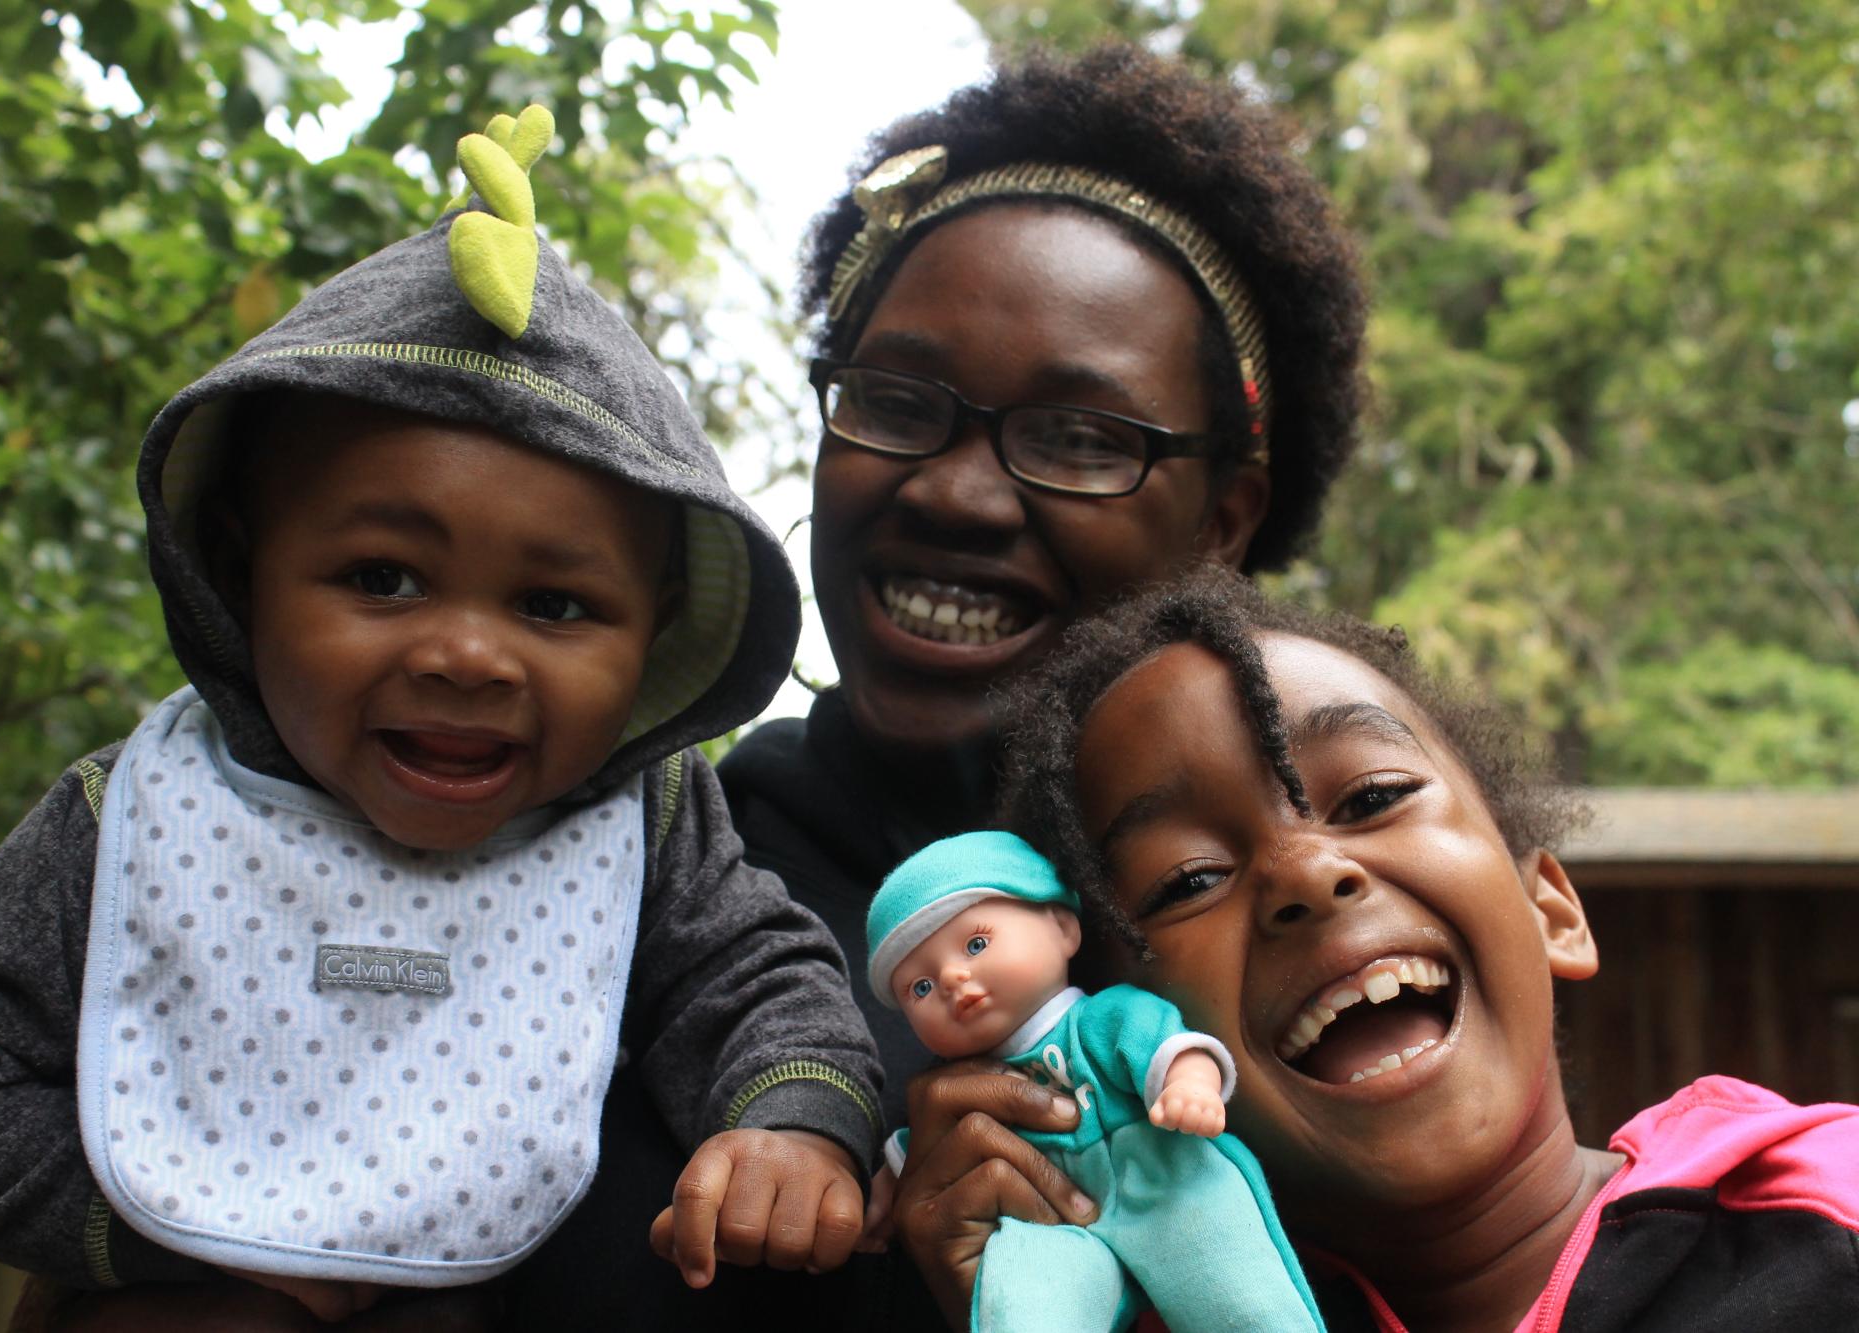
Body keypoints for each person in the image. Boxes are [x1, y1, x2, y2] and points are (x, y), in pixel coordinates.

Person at [0, 107, 881, 1326]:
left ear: (656, 632)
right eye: (380, 578)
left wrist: (789, 1123)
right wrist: (182, 1233)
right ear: (240, 571)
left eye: (554, 602)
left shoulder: (643, 823)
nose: (465, 653)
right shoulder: (136, 818)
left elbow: (758, 979)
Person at [522, 42, 1368, 1329]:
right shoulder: (645, 893)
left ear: (1223, 522)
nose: (955, 492)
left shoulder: (1322, 908)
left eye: (1080, 437)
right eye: (897, 402)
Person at [889, 567, 1859, 1330]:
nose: (1306, 873)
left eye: (1371, 798)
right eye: (1186, 880)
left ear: (1549, 908)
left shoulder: (1823, 1205)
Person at [867, 830, 1321, 1333]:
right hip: (1046, 1223)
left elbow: (1172, 1048)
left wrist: (1190, 1087)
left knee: (1234, 1290)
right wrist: (882, 1194)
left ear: (1063, 927)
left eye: (976, 943)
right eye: (921, 987)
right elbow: (921, 1161)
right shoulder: (959, 1088)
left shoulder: (1102, 1018)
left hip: (1157, 1178)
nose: (952, 979)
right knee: (1021, 1303)